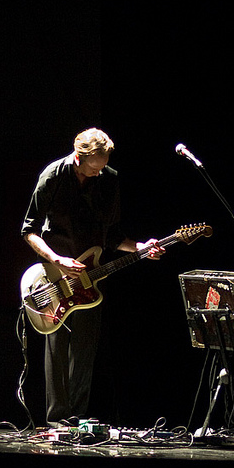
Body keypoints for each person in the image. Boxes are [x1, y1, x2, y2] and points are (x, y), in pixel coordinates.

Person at [21, 128, 163, 426]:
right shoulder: (53, 176)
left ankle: (76, 417)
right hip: (55, 272)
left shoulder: (109, 179)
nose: (99, 173)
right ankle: (56, 419)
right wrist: (57, 259)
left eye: (103, 166)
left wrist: (140, 248)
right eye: (94, 167)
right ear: (78, 158)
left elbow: (111, 236)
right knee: (56, 347)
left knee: (86, 346)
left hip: (90, 275)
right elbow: (29, 230)